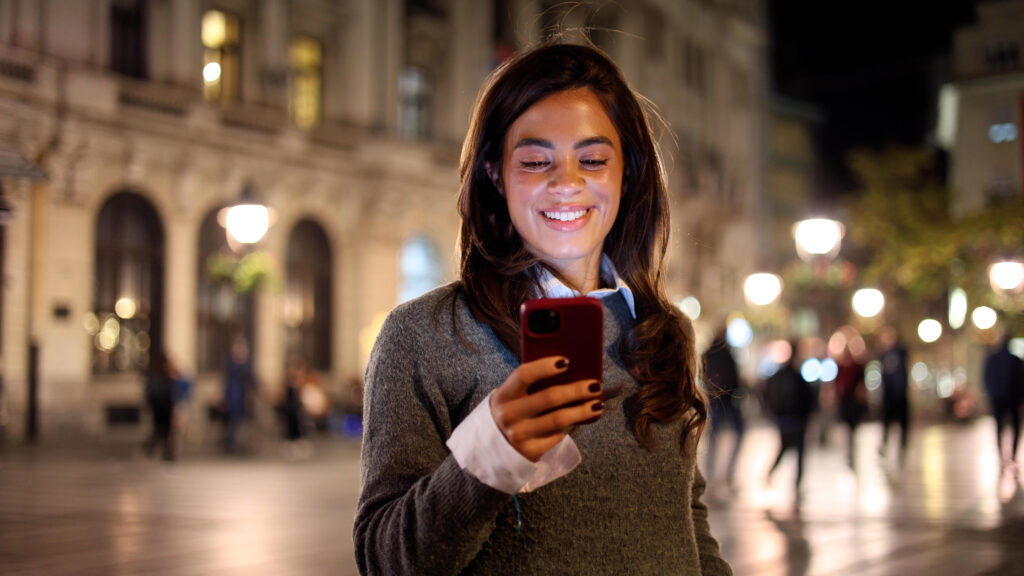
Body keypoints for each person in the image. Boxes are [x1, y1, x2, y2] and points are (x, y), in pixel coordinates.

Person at [354, 43, 731, 575]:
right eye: (535, 161)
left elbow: (686, 522)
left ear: (628, 172)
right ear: (494, 172)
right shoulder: (422, 336)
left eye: (594, 159)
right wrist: (489, 454)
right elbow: (385, 561)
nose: (567, 182)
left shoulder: (661, 330)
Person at [763, 342, 815, 495]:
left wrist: (772, 412)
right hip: (797, 420)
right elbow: (808, 398)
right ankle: (797, 484)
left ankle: (771, 474)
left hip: (783, 419)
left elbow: (766, 393)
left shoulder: (779, 375)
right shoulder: (798, 375)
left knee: (784, 449)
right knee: (798, 453)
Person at [702, 325, 745, 488]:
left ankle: (713, 473)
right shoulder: (725, 353)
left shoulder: (708, 353)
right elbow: (733, 377)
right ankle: (723, 472)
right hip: (725, 401)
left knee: (714, 438)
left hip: (718, 401)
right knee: (734, 433)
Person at [983, 333, 1023, 467]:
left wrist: (990, 394)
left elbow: (987, 379)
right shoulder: (1015, 360)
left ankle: (1002, 454)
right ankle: (1011, 455)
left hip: (999, 398)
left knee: (999, 427)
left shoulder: (993, 359)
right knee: (1014, 427)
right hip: (1012, 398)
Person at [876, 326, 910, 464]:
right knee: (886, 421)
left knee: (903, 422)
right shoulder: (883, 354)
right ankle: (884, 444)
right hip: (888, 394)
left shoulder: (901, 351)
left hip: (901, 393)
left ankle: (902, 446)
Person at [833, 346, 866, 469]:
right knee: (847, 430)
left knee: (853, 429)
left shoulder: (858, 367)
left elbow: (861, 385)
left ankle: (852, 452)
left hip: (854, 402)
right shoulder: (840, 368)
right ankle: (849, 452)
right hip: (845, 402)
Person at [143, 349, 179, 461]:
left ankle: (160, 450)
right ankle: (163, 451)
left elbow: (149, 390)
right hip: (163, 404)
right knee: (164, 429)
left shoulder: (157, 373)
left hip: (160, 405)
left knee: (161, 428)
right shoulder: (161, 374)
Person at [223, 335, 253, 454]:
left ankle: (239, 443)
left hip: (243, 397)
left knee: (240, 421)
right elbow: (226, 380)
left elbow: (251, 377)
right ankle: (231, 443)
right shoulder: (230, 363)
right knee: (232, 421)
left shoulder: (246, 363)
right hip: (233, 397)